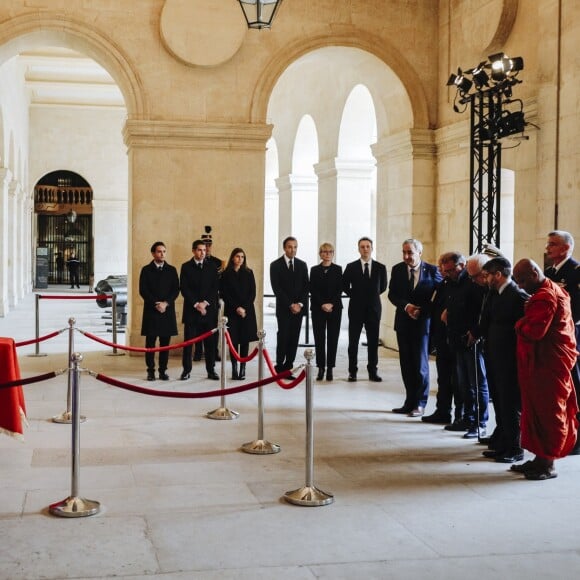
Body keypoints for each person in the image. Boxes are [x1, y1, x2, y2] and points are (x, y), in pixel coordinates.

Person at [511, 258, 579, 480]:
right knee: (537, 410)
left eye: (521, 280)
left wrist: (518, 323)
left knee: (549, 412)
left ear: (533, 273)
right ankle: (540, 458)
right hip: (542, 363)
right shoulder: (553, 287)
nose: (520, 286)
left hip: (547, 365)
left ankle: (548, 464)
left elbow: (534, 331)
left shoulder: (545, 297)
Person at [479, 257, 528, 463]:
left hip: (510, 360)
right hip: (495, 356)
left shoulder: (517, 295)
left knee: (510, 403)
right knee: (499, 401)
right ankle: (504, 443)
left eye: (487, 275)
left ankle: (515, 447)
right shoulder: (494, 293)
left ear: (498, 275)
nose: (485, 279)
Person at [388, 238, 441, 416]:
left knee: (420, 365)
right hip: (403, 323)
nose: (406, 256)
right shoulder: (397, 269)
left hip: (422, 324)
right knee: (406, 365)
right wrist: (407, 307)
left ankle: (420, 403)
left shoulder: (433, 271)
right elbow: (392, 294)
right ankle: (409, 401)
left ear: (419, 252)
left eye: (410, 252)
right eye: (404, 252)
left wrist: (422, 310)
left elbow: (439, 297)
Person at [442, 253, 490, 439]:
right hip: (457, 339)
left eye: (451, 270)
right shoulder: (452, 283)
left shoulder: (474, 284)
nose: (448, 274)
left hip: (472, 339)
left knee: (478, 383)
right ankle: (467, 418)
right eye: (446, 271)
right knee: (463, 384)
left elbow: (482, 312)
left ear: (460, 266)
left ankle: (480, 423)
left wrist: (475, 333)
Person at [545, 230, 580, 455]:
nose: (548, 248)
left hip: (570, 334)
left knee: (574, 384)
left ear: (566, 248)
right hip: (553, 337)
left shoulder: (576, 272)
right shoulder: (549, 271)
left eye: (553, 244)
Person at [342, 237, 388, 382]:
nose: (365, 249)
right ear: (358, 249)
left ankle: (373, 371)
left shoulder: (380, 267)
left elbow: (383, 287)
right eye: (362, 247)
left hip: (374, 309)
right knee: (353, 342)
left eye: (368, 246)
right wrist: (355, 295)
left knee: (373, 342)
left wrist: (370, 297)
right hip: (355, 309)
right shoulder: (351, 267)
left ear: (372, 248)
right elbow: (344, 286)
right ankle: (352, 371)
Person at [422, 255, 456, 424]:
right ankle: (442, 411)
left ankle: (463, 416)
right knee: (443, 378)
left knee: (456, 379)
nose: (442, 271)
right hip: (441, 339)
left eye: (446, 269)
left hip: (454, 339)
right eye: (441, 268)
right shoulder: (442, 284)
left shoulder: (459, 284)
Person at [139, 241, 180, 381]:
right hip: (152, 310)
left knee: (165, 344)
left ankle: (163, 370)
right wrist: (156, 303)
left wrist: (165, 303)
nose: (162, 254)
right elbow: (143, 290)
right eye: (159, 251)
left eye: (164, 251)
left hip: (167, 311)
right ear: (153, 253)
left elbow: (176, 290)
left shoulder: (172, 270)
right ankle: (150, 370)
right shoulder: (146, 270)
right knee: (150, 343)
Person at [180, 240, 220, 381]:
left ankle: (211, 370)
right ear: (193, 251)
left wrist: (205, 303)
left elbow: (214, 288)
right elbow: (184, 288)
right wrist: (197, 304)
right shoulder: (185, 267)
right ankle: (186, 370)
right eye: (199, 250)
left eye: (204, 250)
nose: (202, 252)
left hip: (208, 311)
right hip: (192, 311)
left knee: (210, 343)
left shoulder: (212, 267)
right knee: (188, 343)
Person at [269, 236, 309, 376]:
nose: (293, 250)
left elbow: (306, 287)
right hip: (284, 308)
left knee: (294, 337)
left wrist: (299, 304)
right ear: (284, 248)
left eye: (295, 247)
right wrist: (290, 304)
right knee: (283, 336)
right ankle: (279, 365)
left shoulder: (302, 265)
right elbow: (277, 288)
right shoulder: (275, 265)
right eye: (290, 247)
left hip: (298, 309)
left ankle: (289, 365)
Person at [220, 247, 258, 380]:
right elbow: (224, 294)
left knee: (245, 340)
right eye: (237, 256)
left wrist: (244, 308)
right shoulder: (225, 274)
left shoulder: (248, 272)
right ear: (232, 258)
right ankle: (234, 368)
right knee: (233, 341)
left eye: (242, 257)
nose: (240, 259)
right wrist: (237, 307)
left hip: (246, 312)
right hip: (232, 311)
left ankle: (243, 368)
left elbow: (252, 293)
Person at [309, 242, 343, 382]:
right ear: (320, 254)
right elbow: (312, 289)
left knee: (333, 338)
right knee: (319, 338)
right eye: (324, 251)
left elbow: (339, 289)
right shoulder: (314, 270)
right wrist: (322, 303)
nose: (327, 254)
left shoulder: (338, 269)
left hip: (334, 309)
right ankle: (321, 367)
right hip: (318, 308)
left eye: (330, 251)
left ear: (333, 253)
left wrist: (331, 303)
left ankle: (330, 368)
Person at [195, 227, 223, 362]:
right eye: (204, 245)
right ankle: (198, 351)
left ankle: (213, 351)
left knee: (213, 327)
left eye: (209, 245)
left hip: (212, 299)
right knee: (198, 327)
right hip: (198, 300)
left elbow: (218, 283)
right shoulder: (194, 262)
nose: (207, 247)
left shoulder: (218, 263)